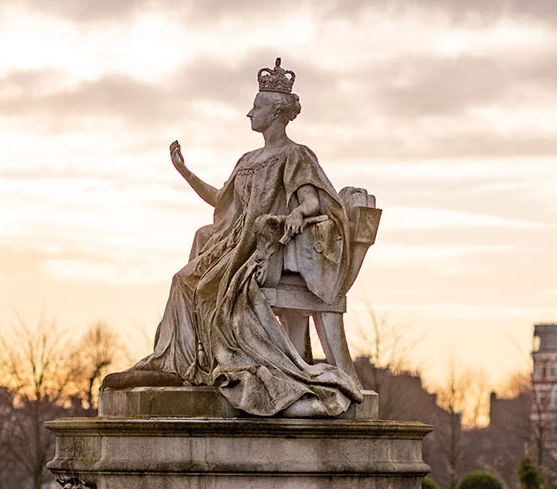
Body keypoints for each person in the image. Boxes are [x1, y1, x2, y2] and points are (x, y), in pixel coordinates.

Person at [102, 59, 363, 417]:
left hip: (258, 245)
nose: (249, 113)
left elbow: (312, 200)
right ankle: (173, 361)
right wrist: (185, 173)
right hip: (231, 239)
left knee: (198, 283)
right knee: (185, 277)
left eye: (256, 107)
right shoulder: (247, 159)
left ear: (275, 113)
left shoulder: (295, 155)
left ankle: (193, 361)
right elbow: (222, 200)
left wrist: (295, 216)